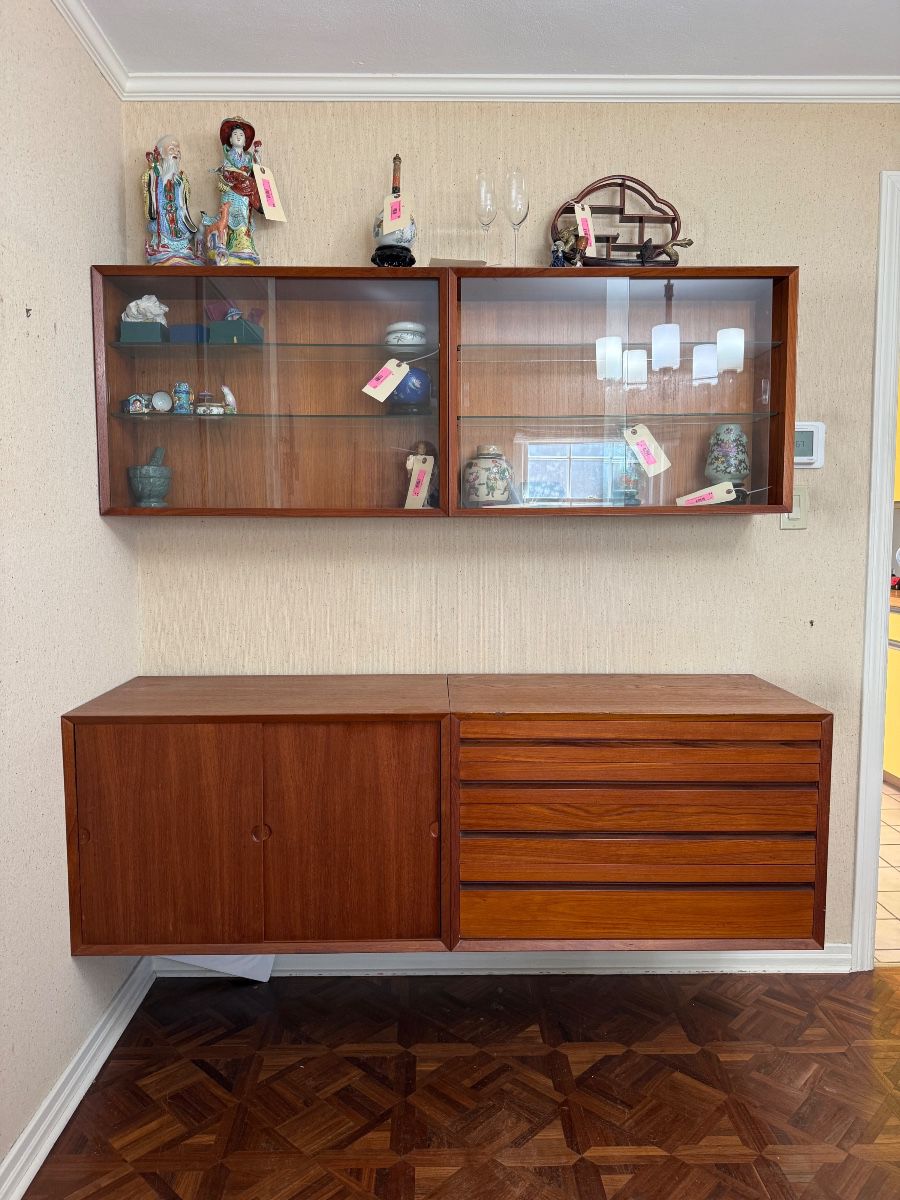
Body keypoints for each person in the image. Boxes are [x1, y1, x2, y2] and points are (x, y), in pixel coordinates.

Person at [201, 117, 263, 266]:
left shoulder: (248, 158)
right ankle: (227, 246)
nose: (238, 137)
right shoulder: (228, 156)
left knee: (243, 213)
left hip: (245, 193)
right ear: (230, 139)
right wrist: (234, 175)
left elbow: (256, 172)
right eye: (235, 134)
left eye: (241, 135)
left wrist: (257, 160)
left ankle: (243, 244)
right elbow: (227, 172)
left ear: (245, 141)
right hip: (231, 190)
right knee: (228, 215)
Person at [142, 135, 201, 265]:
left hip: (179, 222)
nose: (176, 153)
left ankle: (182, 251)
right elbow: (151, 209)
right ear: (161, 153)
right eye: (171, 149)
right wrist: (160, 178)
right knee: (162, 236)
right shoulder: (153, 175)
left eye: (178, 151)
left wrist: (181, 188)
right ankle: (165, 250)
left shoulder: (182, 178)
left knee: (187, 242)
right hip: (163, 222)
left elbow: (184, 204)